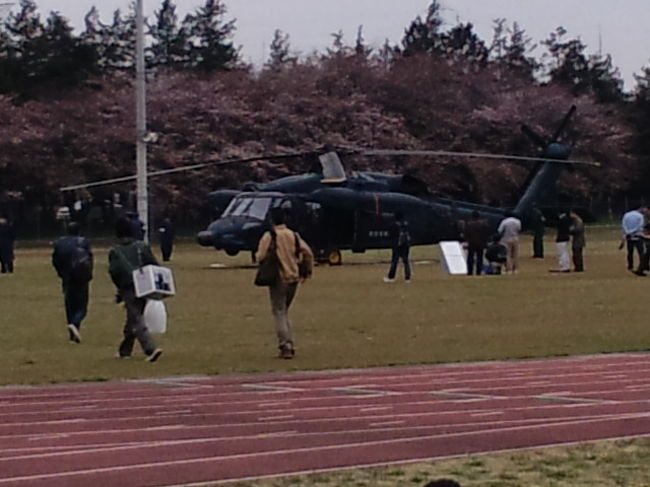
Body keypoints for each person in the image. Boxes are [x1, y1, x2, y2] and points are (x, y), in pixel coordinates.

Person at [255, 207, 314, 359]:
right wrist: (307, 270)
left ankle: (286, 345)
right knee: (285, 311)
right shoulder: (293, 235)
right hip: (294, 278)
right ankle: (290, 342)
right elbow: (307, 252)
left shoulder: (270, 236)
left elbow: (260, 256)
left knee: (279, 312)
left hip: (278, 278)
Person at [108, 217, 163, 361]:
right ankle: (124, 351)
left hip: (128, 287)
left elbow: (114, 272)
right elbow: (154, 264)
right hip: (145, 285)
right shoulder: (142, 246)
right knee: (132, 318)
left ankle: (150, 349)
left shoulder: (115, 251)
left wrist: (119, 290)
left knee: (136, 319)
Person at [52, 222, 93, 343]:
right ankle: (75, 324)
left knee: (69, 304)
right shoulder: (84, 242)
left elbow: (55, 260)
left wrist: (61, 273)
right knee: (82, 306)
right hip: (81, 276)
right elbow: (89, 259)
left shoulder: (60, 243)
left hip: (67, 276)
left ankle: (72, 333)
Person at [384, 211, 412, 282]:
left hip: (397, 245)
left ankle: (391, 277)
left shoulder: (394, 225)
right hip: (406, 244)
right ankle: (407, 277)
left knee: (394, 261)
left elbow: (391, 234)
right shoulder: (406, 224)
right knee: (406, 261)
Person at [620, 206, 647, 276]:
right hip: (638, 236)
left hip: (629, 237)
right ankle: (642, 266)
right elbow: (640, 226)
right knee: (641, 252)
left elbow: (623, 225)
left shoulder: (626, 215)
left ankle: (630, 265)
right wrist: (633, 232)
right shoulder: (640, 216)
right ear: (640, 208)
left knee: (630, 252)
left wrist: (627, 232)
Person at [463, 210, 491, 276]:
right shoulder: (483, 225)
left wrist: (467, 241)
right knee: (479, 258)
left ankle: (470, 272)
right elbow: (487, 234)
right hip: (481, 244)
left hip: (471, 244)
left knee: (470, 258)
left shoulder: (469, 225)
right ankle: (478, 271)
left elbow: (466, 235)